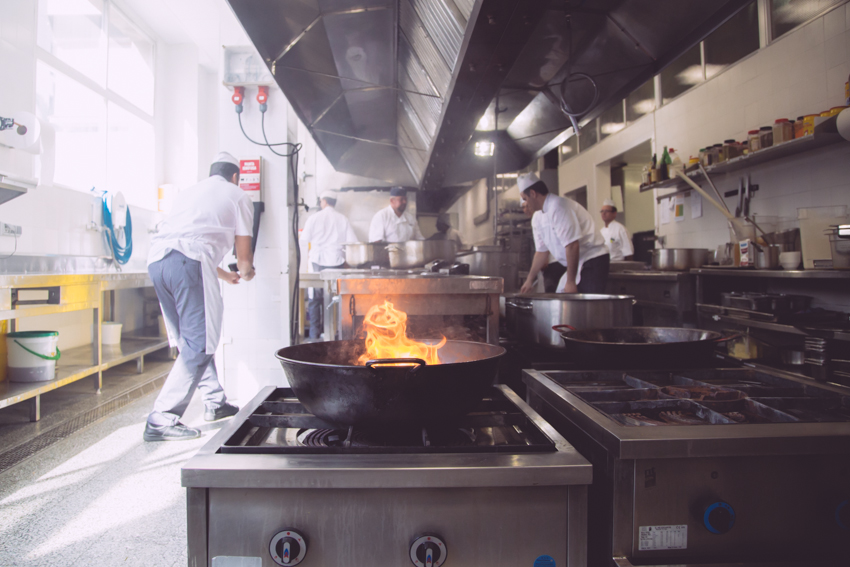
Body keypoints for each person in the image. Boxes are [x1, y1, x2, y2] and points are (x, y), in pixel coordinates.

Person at [143, 152, 255, 442]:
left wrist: (222, 275)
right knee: (202, 341)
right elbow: (243, 258)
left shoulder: (189, 193)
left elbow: (186, 241)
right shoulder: (239, 195)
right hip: (188, 264)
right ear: (235, 176)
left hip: (158, 262)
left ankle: (215, 402)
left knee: (189, 339)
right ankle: (162, 417)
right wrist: (245, 271)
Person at [518, 172, 610, 294]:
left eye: (525, 199)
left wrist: (571, 282)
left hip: (592, 259)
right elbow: (541, 252)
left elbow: (572, 245)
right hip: (577, 263)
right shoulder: (537, 217)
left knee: (587, 306)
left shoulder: (558, 206)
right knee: (564, 303)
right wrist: (529, 280)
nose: (526, 204)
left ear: (533, 194)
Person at [300, 190, 357, 340]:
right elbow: (352, 242)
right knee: (336, 299)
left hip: (317, 262)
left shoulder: (314, 218)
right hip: (336, 263)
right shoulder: (342, 219)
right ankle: (337, 334)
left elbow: (303, 239)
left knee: (314, 300)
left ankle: (314, 336)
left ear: (323, 201)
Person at [521, 193, 566, 293]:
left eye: (527, 205)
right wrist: (529, 280)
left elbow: (555, 240)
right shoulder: (536, 219)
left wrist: (546, 257)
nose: (526, 209)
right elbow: (540, 249)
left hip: (557, 263)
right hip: (548, 264)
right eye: (523, 207)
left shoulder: (553, 211)